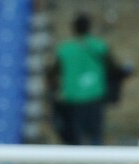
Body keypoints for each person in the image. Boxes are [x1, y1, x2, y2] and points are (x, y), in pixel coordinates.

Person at [47, 13, 116, 146]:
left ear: (74, 28)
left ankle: (79, 159)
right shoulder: (99, 46)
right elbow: (113, 67)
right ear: (89, 27)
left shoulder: (65, 49)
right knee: (95, 135)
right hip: (94, 97)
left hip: (73, 99)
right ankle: (95, 158)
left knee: (76, 136)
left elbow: (52, 73)